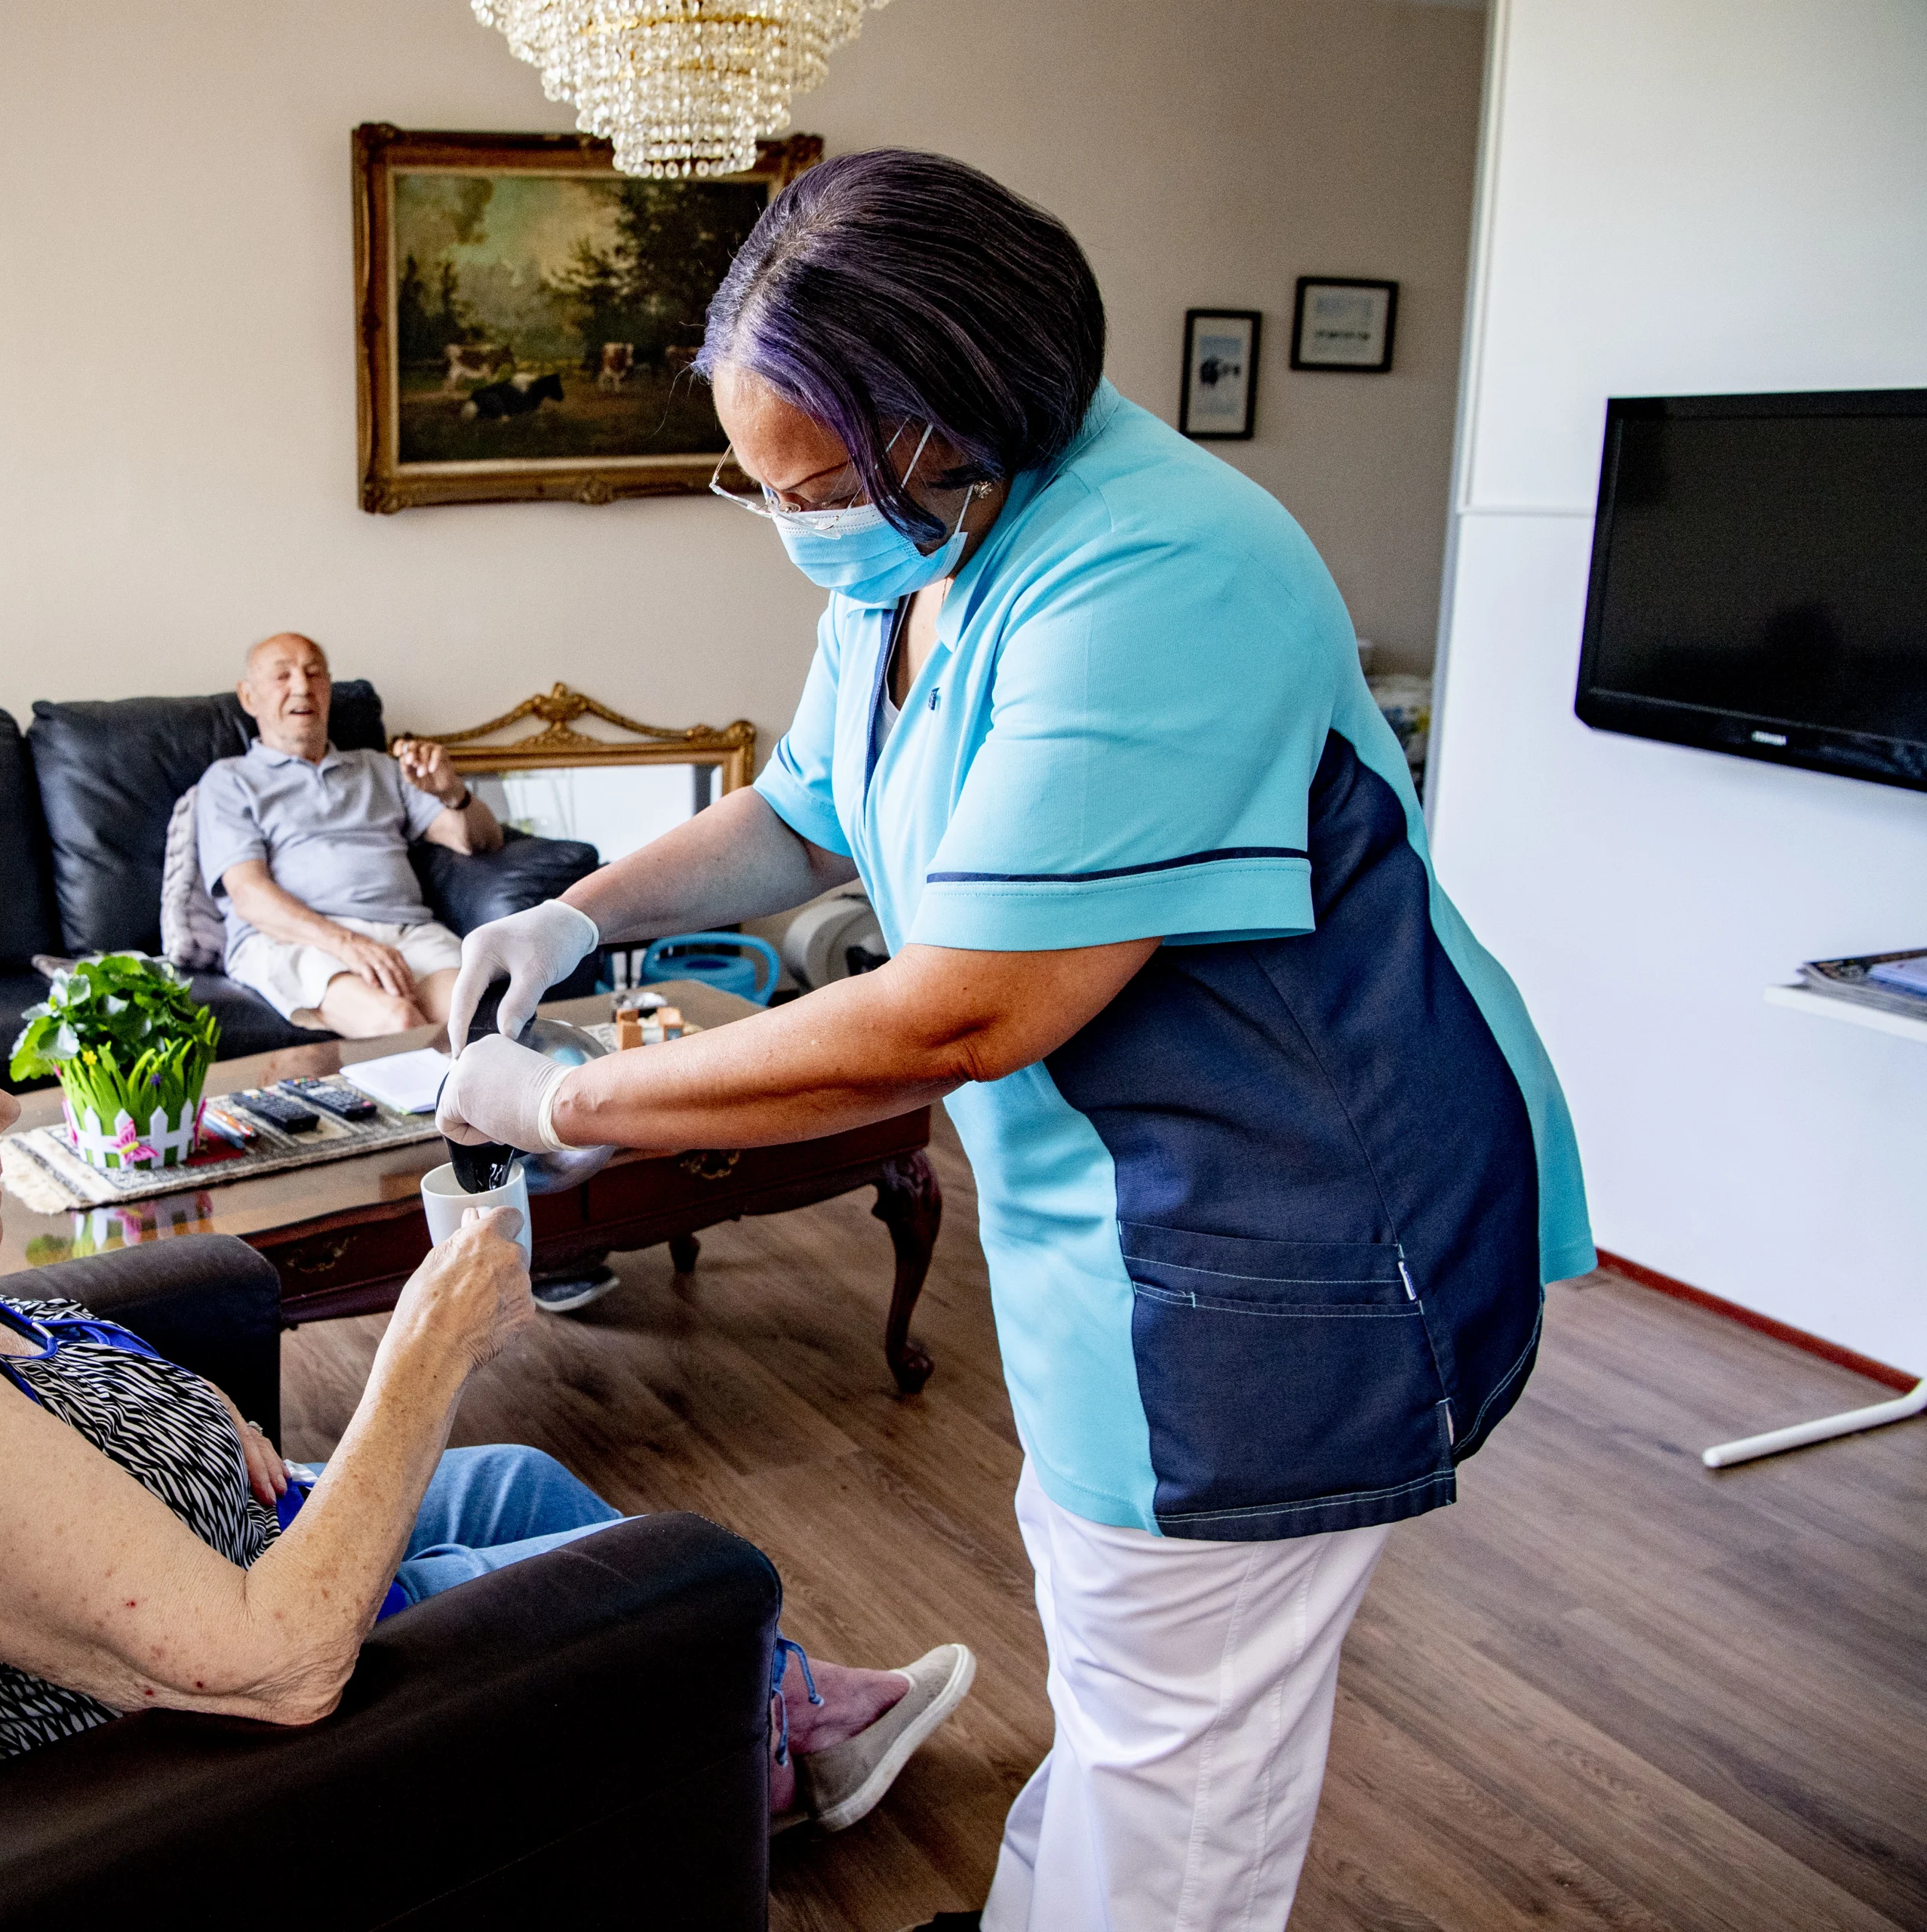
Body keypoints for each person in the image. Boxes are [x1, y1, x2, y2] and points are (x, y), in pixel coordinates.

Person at [440, 149, 1592, 1932]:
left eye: (813, 483)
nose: (796, 523)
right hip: (1117, 1234)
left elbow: (960, 1009)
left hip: (1286, 1230)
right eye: (768, 489)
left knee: (1182, 1761)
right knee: (1131, 1687)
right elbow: (800, 813)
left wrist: (569, 1095)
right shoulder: (915, 544)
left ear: (945, 422)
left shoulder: (1159, 571)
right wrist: (568, 914)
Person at [0, 923, 969, 1829]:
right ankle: (768, 1746)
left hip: (232, 1536)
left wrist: (183, 1409)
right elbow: (277, 1669)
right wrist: (419, 1359)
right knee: (660, 1578)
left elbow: (20, 1400)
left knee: (522, 1480)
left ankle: (763, 1711)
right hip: (252, 1693)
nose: (2, 1113)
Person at [196, 631, 499, 1037]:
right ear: (248, 697)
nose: (302, 686)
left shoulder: (382, 768)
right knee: (398, 1022)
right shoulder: (230, 780)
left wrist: (453, 793)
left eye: (314, 673)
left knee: (480, 1021)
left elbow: (478, 840)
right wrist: (347, 944)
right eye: (282, 676)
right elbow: (249, 895)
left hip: (406, 931)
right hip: (295, 939)